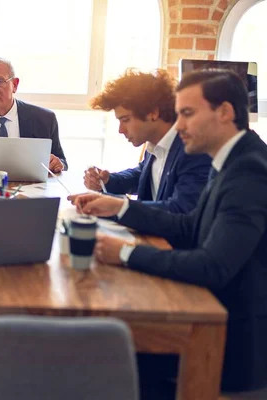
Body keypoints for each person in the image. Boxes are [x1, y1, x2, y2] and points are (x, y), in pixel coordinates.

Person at [69, 69, 267, 397]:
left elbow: (212, 267)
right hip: (210, 313)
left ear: (225, 112)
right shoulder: (232, 159)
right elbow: (190, 224)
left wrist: (126, 253)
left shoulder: (248, 171)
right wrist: (118, 207)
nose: (181, 124)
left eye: (187, 114)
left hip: (230, 341)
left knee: (109, 352)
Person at [85, 69, 211, 213]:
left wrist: (118, 206)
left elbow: (181, 210)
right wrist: (108, 181)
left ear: (153, 113)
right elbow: (144, 174)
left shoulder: (194, 150)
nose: (121, 130)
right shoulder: (155, 143)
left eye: (125, 120)